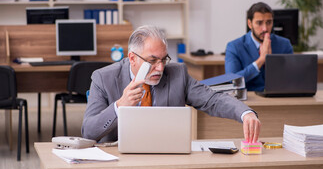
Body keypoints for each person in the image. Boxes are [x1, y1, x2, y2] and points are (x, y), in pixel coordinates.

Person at [82, 25, 261, 143]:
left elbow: (212, 99)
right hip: (119, 160)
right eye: (152, 61)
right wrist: (119, 106)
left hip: (166, 156)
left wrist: (245, 113)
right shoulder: (103, 78)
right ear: (132, 58)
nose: (160, 68)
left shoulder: (177, 73)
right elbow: (88, 132)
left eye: (164, 59)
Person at [225, 2, 293, 91]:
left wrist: (273, 62)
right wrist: (261, 60)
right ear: (250, 24)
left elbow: (291, 78)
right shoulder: (234, 47)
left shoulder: (284, 44)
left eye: (269, 22)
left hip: (278, 98)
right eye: (259, 23)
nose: (265, 28)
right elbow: (232, 82)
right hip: (248, 100)